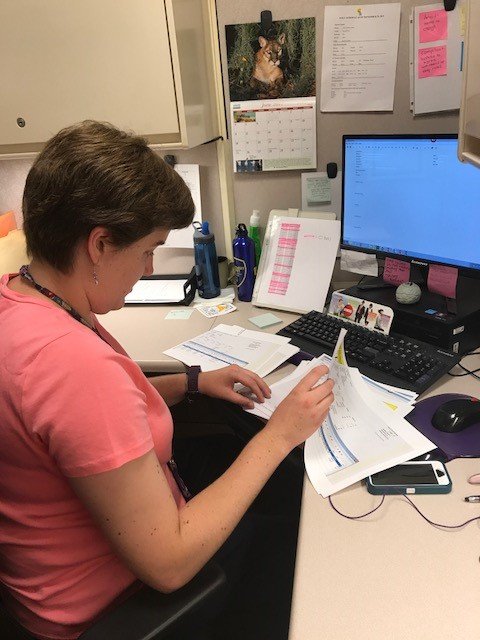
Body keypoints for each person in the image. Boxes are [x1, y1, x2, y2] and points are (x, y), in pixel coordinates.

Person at [0, 121, 334, 640]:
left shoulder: (20, 298)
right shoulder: (70, 366)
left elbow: (82, 427)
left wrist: (193, 384)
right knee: (288, 524)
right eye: (148, 249)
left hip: (48, 589)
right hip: (118, 608)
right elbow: (170, 564)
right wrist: (281, 434)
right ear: (100, 244)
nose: (148, 268)